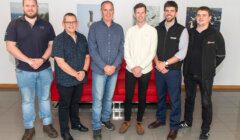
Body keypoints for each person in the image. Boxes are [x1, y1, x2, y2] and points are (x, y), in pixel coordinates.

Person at [4, 0, 58, 140]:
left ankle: (47, 125)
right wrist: (28, 60)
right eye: (27, 5)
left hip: (44, 70)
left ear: (37, 7)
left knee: (45, 98)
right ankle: (29, 128)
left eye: (33, 5)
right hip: (24, 70)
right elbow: (10, 46)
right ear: (23, 7)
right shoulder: (14, 24)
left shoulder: (46, 25)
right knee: (27, 101)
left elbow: (52, 45)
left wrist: (42, 59)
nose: (30, 8)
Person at [179, 6, 225, 140]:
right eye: (198, 15)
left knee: (206, 103)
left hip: (205, 76)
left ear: (210, 17)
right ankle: (187, 121)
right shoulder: (189, 32)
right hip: (189, 73)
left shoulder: (215, 34)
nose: (200, 17)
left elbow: (221, 55)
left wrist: (210, 67)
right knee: (189, 99)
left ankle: (205, 130)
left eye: (204, 15)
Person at [147, 1, 189, 140]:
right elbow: (152, 48)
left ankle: (174, 127)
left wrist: (164, 64)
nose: (169, 13)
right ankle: (160, 119)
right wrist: (158, 63)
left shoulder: (182, 30)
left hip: (173, 71)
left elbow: (182, 53)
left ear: (176, 12)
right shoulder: (157, 28)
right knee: (160, 97)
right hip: (159, 69)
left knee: (175, 100)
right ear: (164, 12)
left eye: (172, 10)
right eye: (167, 10)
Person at [118, 3, 157, 135]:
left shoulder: (152, 31)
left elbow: (152, 52)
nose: (140, 15)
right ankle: (127, 120)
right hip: (130, 69)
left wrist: (140, 67)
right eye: (137, 13)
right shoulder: (130, 30)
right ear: (134, 14)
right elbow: (126, 50)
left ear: (146, 13)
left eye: (142, 12)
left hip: (145, 70)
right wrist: (133, 66)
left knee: (142, 96)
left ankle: (139, 122)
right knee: (128, 96)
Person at [88, 1, 124, 140]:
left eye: (110, 10)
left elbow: (121, 49)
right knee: (98, 100)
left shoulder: (119, 28)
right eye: (105, 10)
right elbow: (92, 49)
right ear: (101, 11)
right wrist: (104, 66)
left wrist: (113, 66)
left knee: (108, 98)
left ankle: (105, 119)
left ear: (113, 11)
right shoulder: (94, 28)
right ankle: (96, 126)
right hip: (99, 70)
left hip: (114, 71)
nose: (108, 12)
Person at [52, 13, 90, 140]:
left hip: (80, 77)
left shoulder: (82, 38)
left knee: (75, 103)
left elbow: (87, 56)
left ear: (77, 23)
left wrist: (84, 71)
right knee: (64, 105)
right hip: (65, 80)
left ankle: (75, 124)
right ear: (63, 24)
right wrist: (76, 74)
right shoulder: (58, 40)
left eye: (73, 21)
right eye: (68, 22)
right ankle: (64, 131)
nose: (71, 24)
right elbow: (60, 62)